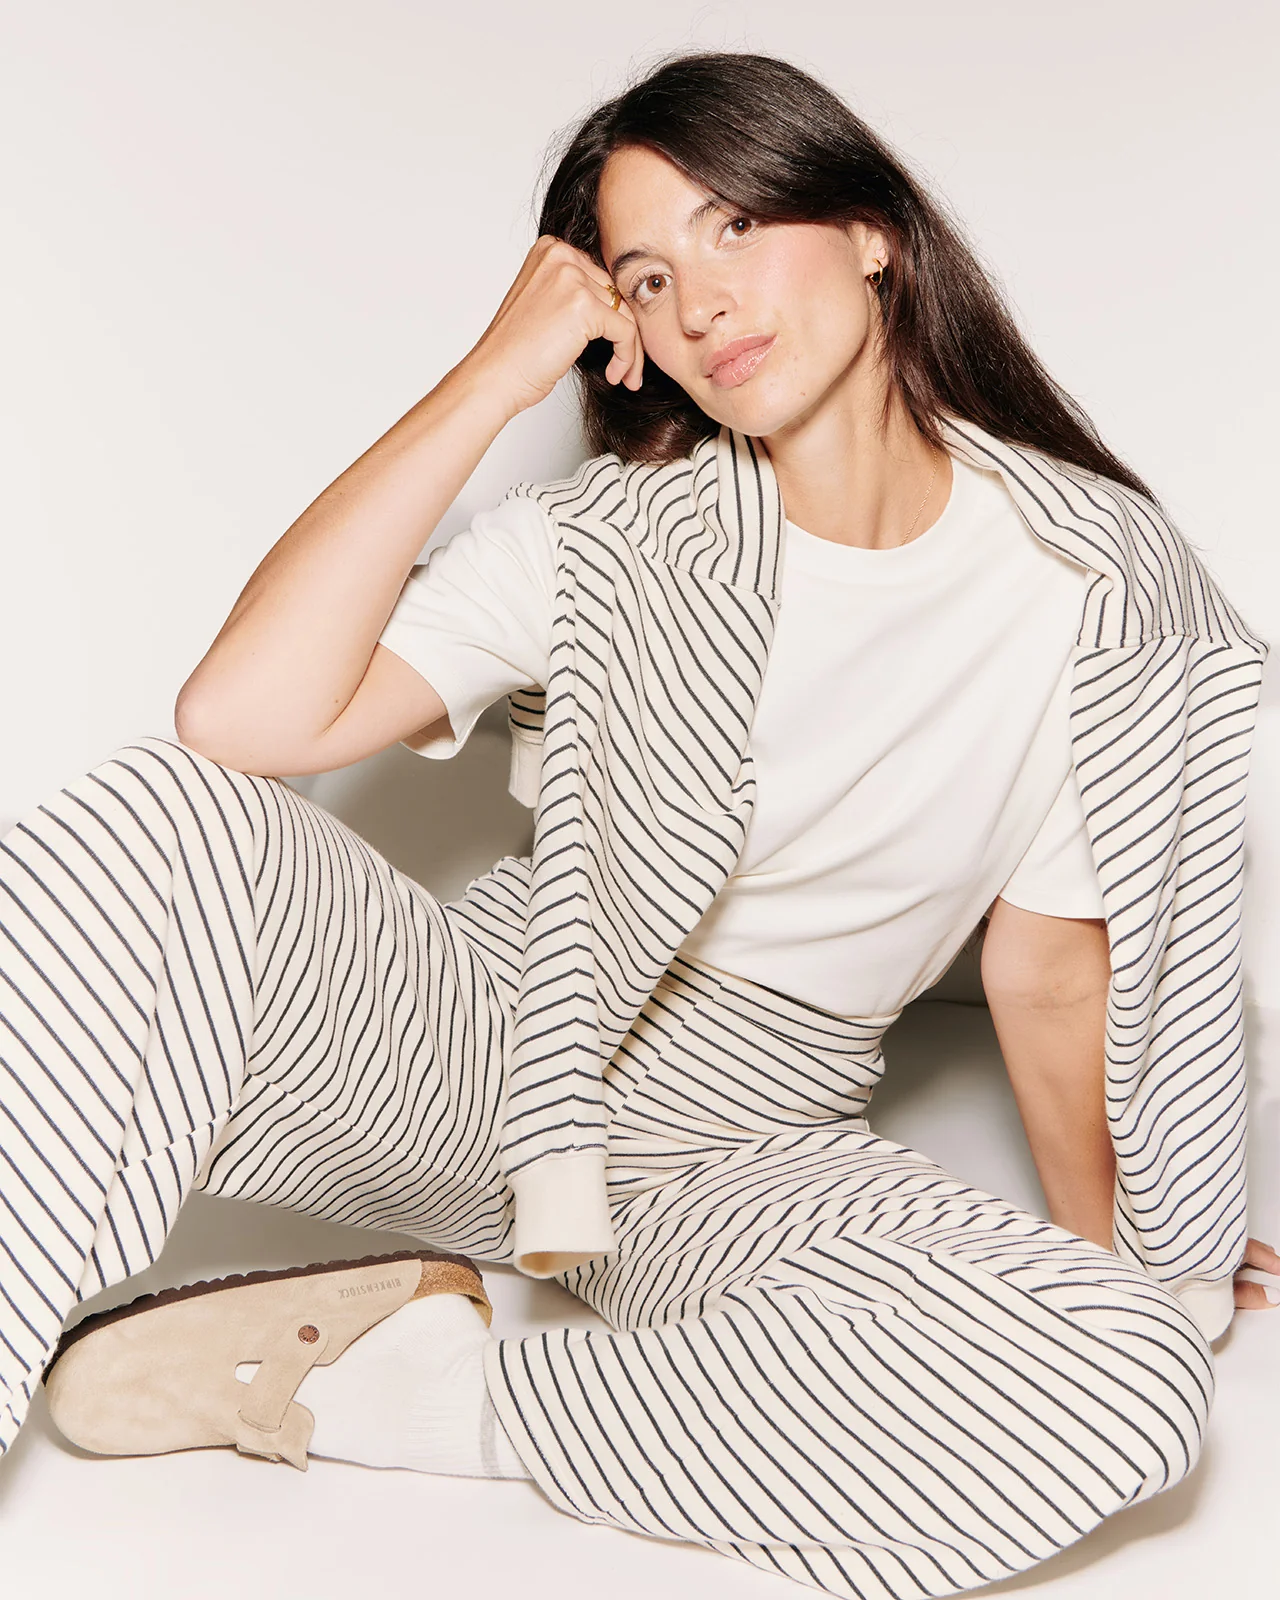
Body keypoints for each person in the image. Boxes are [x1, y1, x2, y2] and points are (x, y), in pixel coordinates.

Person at [2, 47, 1276, 1600]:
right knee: (160, 815)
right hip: (480, 1048)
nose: (704, 302)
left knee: (1134, 1375)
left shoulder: (1099, 584)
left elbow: (1058, 973)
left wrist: (1123, 1261)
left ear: (871, 231)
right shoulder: (605, 544)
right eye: (650, 278)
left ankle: (396, 1386)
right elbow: (241, 722)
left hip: (740, 1152)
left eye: (736, 223)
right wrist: (491, 378)